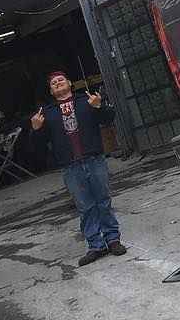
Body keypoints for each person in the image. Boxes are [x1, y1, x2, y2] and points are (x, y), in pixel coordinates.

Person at [30, 71, 127, 266]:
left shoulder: (86, 100)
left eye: (60, 80)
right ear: (51, 90)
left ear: (69, 83)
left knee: (103, 200)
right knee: (84, 206)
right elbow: (37, 146)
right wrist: (35, 129)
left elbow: (108, 118)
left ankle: (113, 240)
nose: (58, 83)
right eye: (53, 83)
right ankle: (96, 246)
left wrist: (98, 106)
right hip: (70, 166)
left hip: (94, 159)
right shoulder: (46, 113)